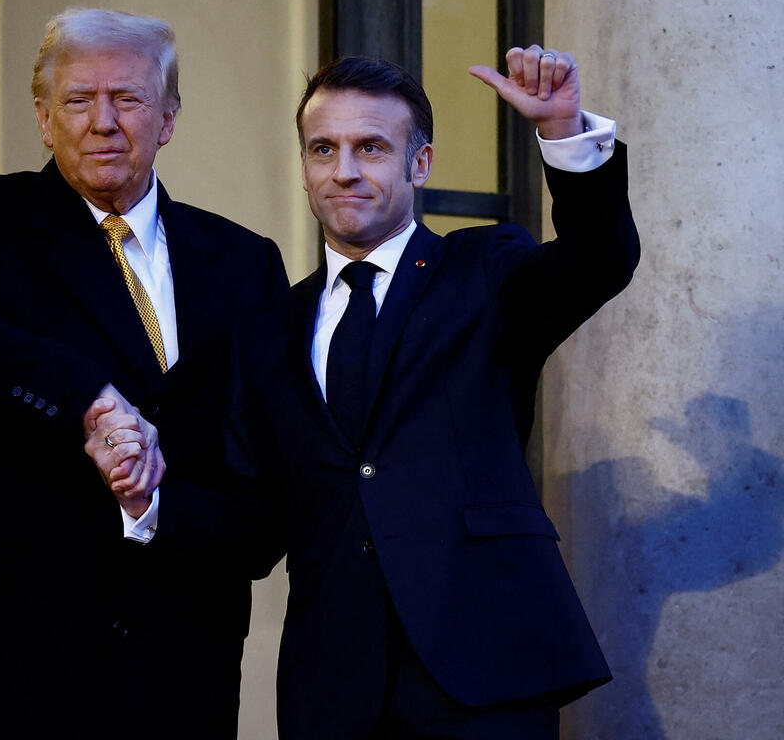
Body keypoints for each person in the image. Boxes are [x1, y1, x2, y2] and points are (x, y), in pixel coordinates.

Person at [88, 46, 639, 738]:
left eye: (371, 147)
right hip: (334, 686)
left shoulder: (484, 270)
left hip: (486, 667)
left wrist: (562, 133)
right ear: (304, 167)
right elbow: (254, 527)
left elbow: (598, 261)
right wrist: (148, 500)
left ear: (420, 163)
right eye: (324, 149)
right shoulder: (266, 332)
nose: (343, 170)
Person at [0, 7, 288, 738]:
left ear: (168, 119)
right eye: (78, 100)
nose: (103, 122)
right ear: (44, 119)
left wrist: (154, 507)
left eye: (127, 99)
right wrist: (88, 400)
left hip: (178, 671)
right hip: (3, 674)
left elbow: (260, 487)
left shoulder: (244, 262)